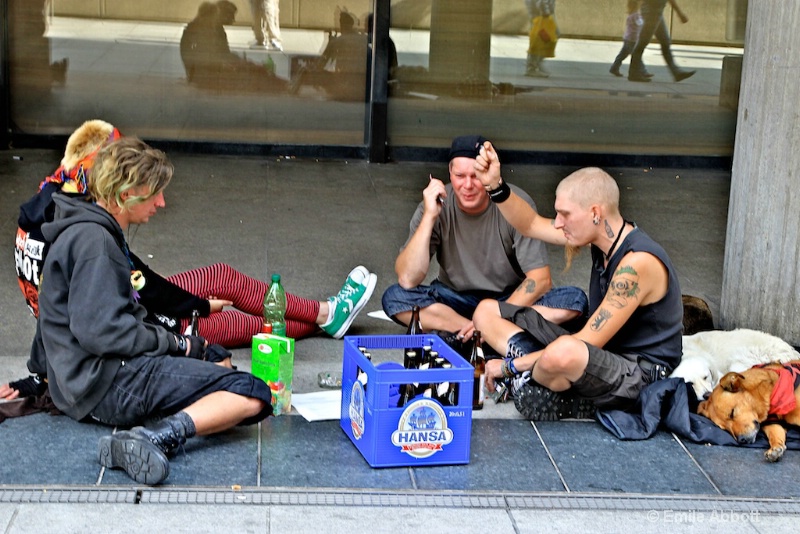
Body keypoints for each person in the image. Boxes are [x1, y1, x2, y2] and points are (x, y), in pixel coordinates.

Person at [6, 119, 377, 400]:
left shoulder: (53, 202)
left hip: (120, 305)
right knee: (240, 324)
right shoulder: (89, 230)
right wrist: (197, 309)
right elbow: (135, 288)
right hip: (138, 322)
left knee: (221, 279)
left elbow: (126, 279)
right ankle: (326, 319)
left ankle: (326, 315)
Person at [27, 136, 274, 485]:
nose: (161, 202)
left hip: (86, 384)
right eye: (154, 191)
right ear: (126, 193)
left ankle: (167, 417)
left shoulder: (79, 229)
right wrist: (176, 344)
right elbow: (104, 332)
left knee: (215, 355)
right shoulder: (95, 243)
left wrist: (37, 376)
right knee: (252, 393)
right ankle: (156, 436)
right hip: (109, 385)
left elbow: (51, 311)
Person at [472, 141, 683, 420]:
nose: (558, 222)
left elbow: (586, 341)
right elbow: (532, 224)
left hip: (640, 374)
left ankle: (536, 380)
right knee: (486, 312)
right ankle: (539, 376)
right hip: (599, 354)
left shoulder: (637, 263)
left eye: (565, 214)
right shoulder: (600, 235)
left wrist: (508, 367)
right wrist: (495, 186)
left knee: (564, 352)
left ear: (595, 213)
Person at [381, 134, 588, 355]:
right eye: (460, 176)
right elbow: (407, 278)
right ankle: (485, 335)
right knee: (395, 298)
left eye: (476, 176)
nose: (467, 185)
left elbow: (540, 279)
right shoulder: (435, 204)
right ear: (449, 173)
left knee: (574, 301)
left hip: (507, 300)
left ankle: (469, 338)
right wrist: (430, 216)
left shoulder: (513, 202)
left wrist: (497, 314)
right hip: (454, 299)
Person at [180, 1, 284, 92]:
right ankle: (282, 85)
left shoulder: (215, 29)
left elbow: (222, 55)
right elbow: (216, 58)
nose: (233, 20)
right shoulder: (202, 31)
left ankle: (281, 83)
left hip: (208, 72)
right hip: (205, 76)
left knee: (252, 70)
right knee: (250, 75)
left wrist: (243, 63)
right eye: (231, 15)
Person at [289, 11, 368, 101]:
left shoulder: (337, 41)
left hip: (343, 87)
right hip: (363, 88)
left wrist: (329, 44)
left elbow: (320, 65)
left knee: (304, 70)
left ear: (341, 25)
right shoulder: (364, 39)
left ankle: (291, 93)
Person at [627, 0, 695, 83]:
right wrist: (679, 13)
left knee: (665, 41)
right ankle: (633, 73)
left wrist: (679, 13)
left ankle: (676, 72)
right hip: (652, 12)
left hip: (656, 11)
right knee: (643, 41)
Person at [609, 0, 643, 78]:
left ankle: (614, 67)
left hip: (628, 38)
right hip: (632, 39)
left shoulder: (630, 15)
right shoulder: (635, 15)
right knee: (636, 56)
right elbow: (640, 23)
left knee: (622, 54)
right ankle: (641, 71)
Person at [524, 0, 557, 78]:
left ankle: (536, 64)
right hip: (541, 18)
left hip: (539, 17)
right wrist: (546, 13)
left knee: (539, 41)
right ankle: (532, 67)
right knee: (540, 41)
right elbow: (541, 2)